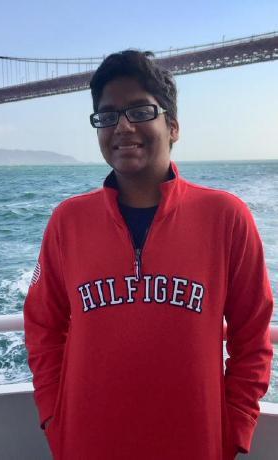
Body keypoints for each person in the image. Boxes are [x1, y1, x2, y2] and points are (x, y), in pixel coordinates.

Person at [23, 50, 273, 460]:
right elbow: (42, 327)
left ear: (173, 127)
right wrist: (54, 417)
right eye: (107, 115)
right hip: (86, 444)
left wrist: (235, 427)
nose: (122, 126)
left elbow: (253, 334)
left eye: (140, 111)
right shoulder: (67, 222)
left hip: (197, 444)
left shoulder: (226, 217)